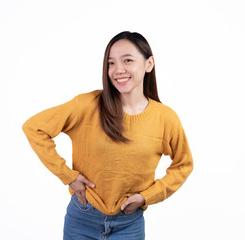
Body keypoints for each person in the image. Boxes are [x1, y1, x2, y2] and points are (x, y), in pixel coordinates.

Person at [22, 31, 193, 240]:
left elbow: (184, 164)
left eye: (127, 60)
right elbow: (34, 127)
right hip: (82, 218)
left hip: (129, 225)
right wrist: (68, 176)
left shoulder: (165, 118)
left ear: (149, 64)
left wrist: (146, 197)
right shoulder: (86, 105)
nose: (117, 70)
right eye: (111, 63)